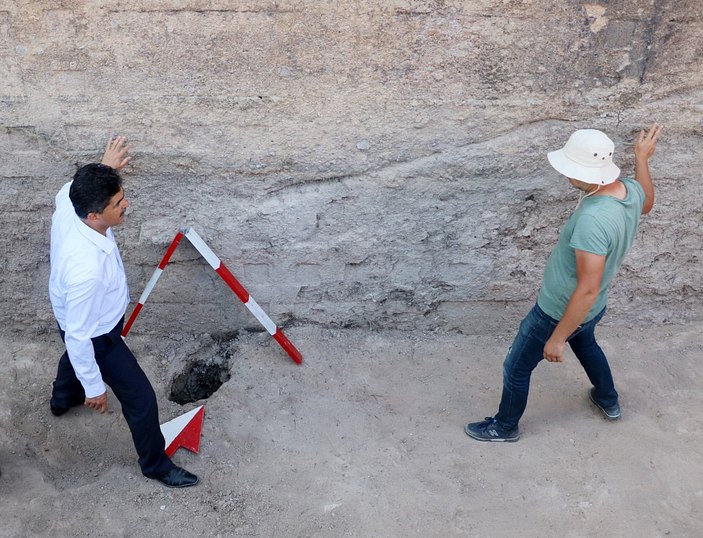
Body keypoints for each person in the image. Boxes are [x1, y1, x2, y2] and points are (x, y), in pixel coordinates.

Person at [465, 124, 662, 442]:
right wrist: (642, 159)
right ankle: (608, 400)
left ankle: (504, 426)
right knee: (587, 345)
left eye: (570, 169)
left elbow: (586, 288)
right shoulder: (627, 190)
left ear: (586, 172)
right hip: (592, 310)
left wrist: (557, 338)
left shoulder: (592, 220)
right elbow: (647, 201)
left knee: (516, 367)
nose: (566, 175)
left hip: (558, 310)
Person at [48, 136, 199, 486]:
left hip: (74, 316)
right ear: (94, 215)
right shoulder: (87, 271)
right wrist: (94, 388)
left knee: (72, 352)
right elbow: (80, 335)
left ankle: (60, 401)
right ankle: (156, 466)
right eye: (118, 202)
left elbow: (74, 186)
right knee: (142, 400)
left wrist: (106, 169)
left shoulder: (69, 202)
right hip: (98, 334)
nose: (126, 204)